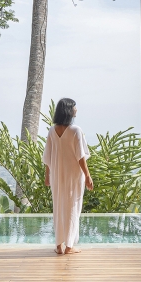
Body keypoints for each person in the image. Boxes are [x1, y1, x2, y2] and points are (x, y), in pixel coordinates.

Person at [44, 97, 94, 255]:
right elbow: (81, 156)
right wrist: (87, 176)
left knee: (58, 207)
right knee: (73, 207)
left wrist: (47, 176)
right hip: (73, 177)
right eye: (74, 107)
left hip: (57, 176)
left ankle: (59, 246)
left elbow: (47, 156)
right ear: (68, 110)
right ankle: (69, 247)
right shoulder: (75, 130)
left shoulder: (52, 130)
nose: (76, 109)